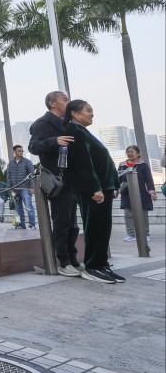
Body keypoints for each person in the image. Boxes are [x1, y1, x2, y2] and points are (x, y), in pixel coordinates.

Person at [62, 99, 120, 283]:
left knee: (103, 227)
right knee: (95, 227)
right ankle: (93, 266)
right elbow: (83, 164)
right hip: (93, 189)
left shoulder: (83, 131)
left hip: (104, 187)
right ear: (74, 113)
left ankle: (101, 264)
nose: (92, 113)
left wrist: (113, 184)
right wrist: (95, 188)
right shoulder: (75, 132)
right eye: (88, 110)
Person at [28, 91, 81, 277]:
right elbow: (33, 146)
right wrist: (54, 141)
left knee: (73, 224)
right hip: (57, 180)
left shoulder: (68, 122)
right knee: (62, 223)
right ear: (52, 103)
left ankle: (73, 260)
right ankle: (64, 261)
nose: (68, 102)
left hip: (71, 179)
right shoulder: (44, 123)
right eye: (64, 100)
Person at [119, 145, 156, 244]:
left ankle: (145, 234)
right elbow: (118, 179)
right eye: (128, 152)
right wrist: (115, 190)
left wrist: (152, 192)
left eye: (132, 152)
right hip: (127, 194)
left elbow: (149, 180)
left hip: (142, 194)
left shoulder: (143, 165)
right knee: (128, 214)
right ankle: (131, 234)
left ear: (138, 153)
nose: (129, 154)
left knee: (143, 215)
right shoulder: (122, 165)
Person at [6, 145, 36, 230]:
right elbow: (8, 176)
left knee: (29, 208)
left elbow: (32, 175)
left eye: (22, 151)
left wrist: (32, 187)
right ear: (14, 152)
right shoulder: (11, 163)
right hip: (14, 190)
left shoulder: (27, 162)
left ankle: (32, 225)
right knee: (18, 209)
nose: (21, 152)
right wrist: (9, 188)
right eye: (19, 151)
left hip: (25, 189)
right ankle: (21, 224)